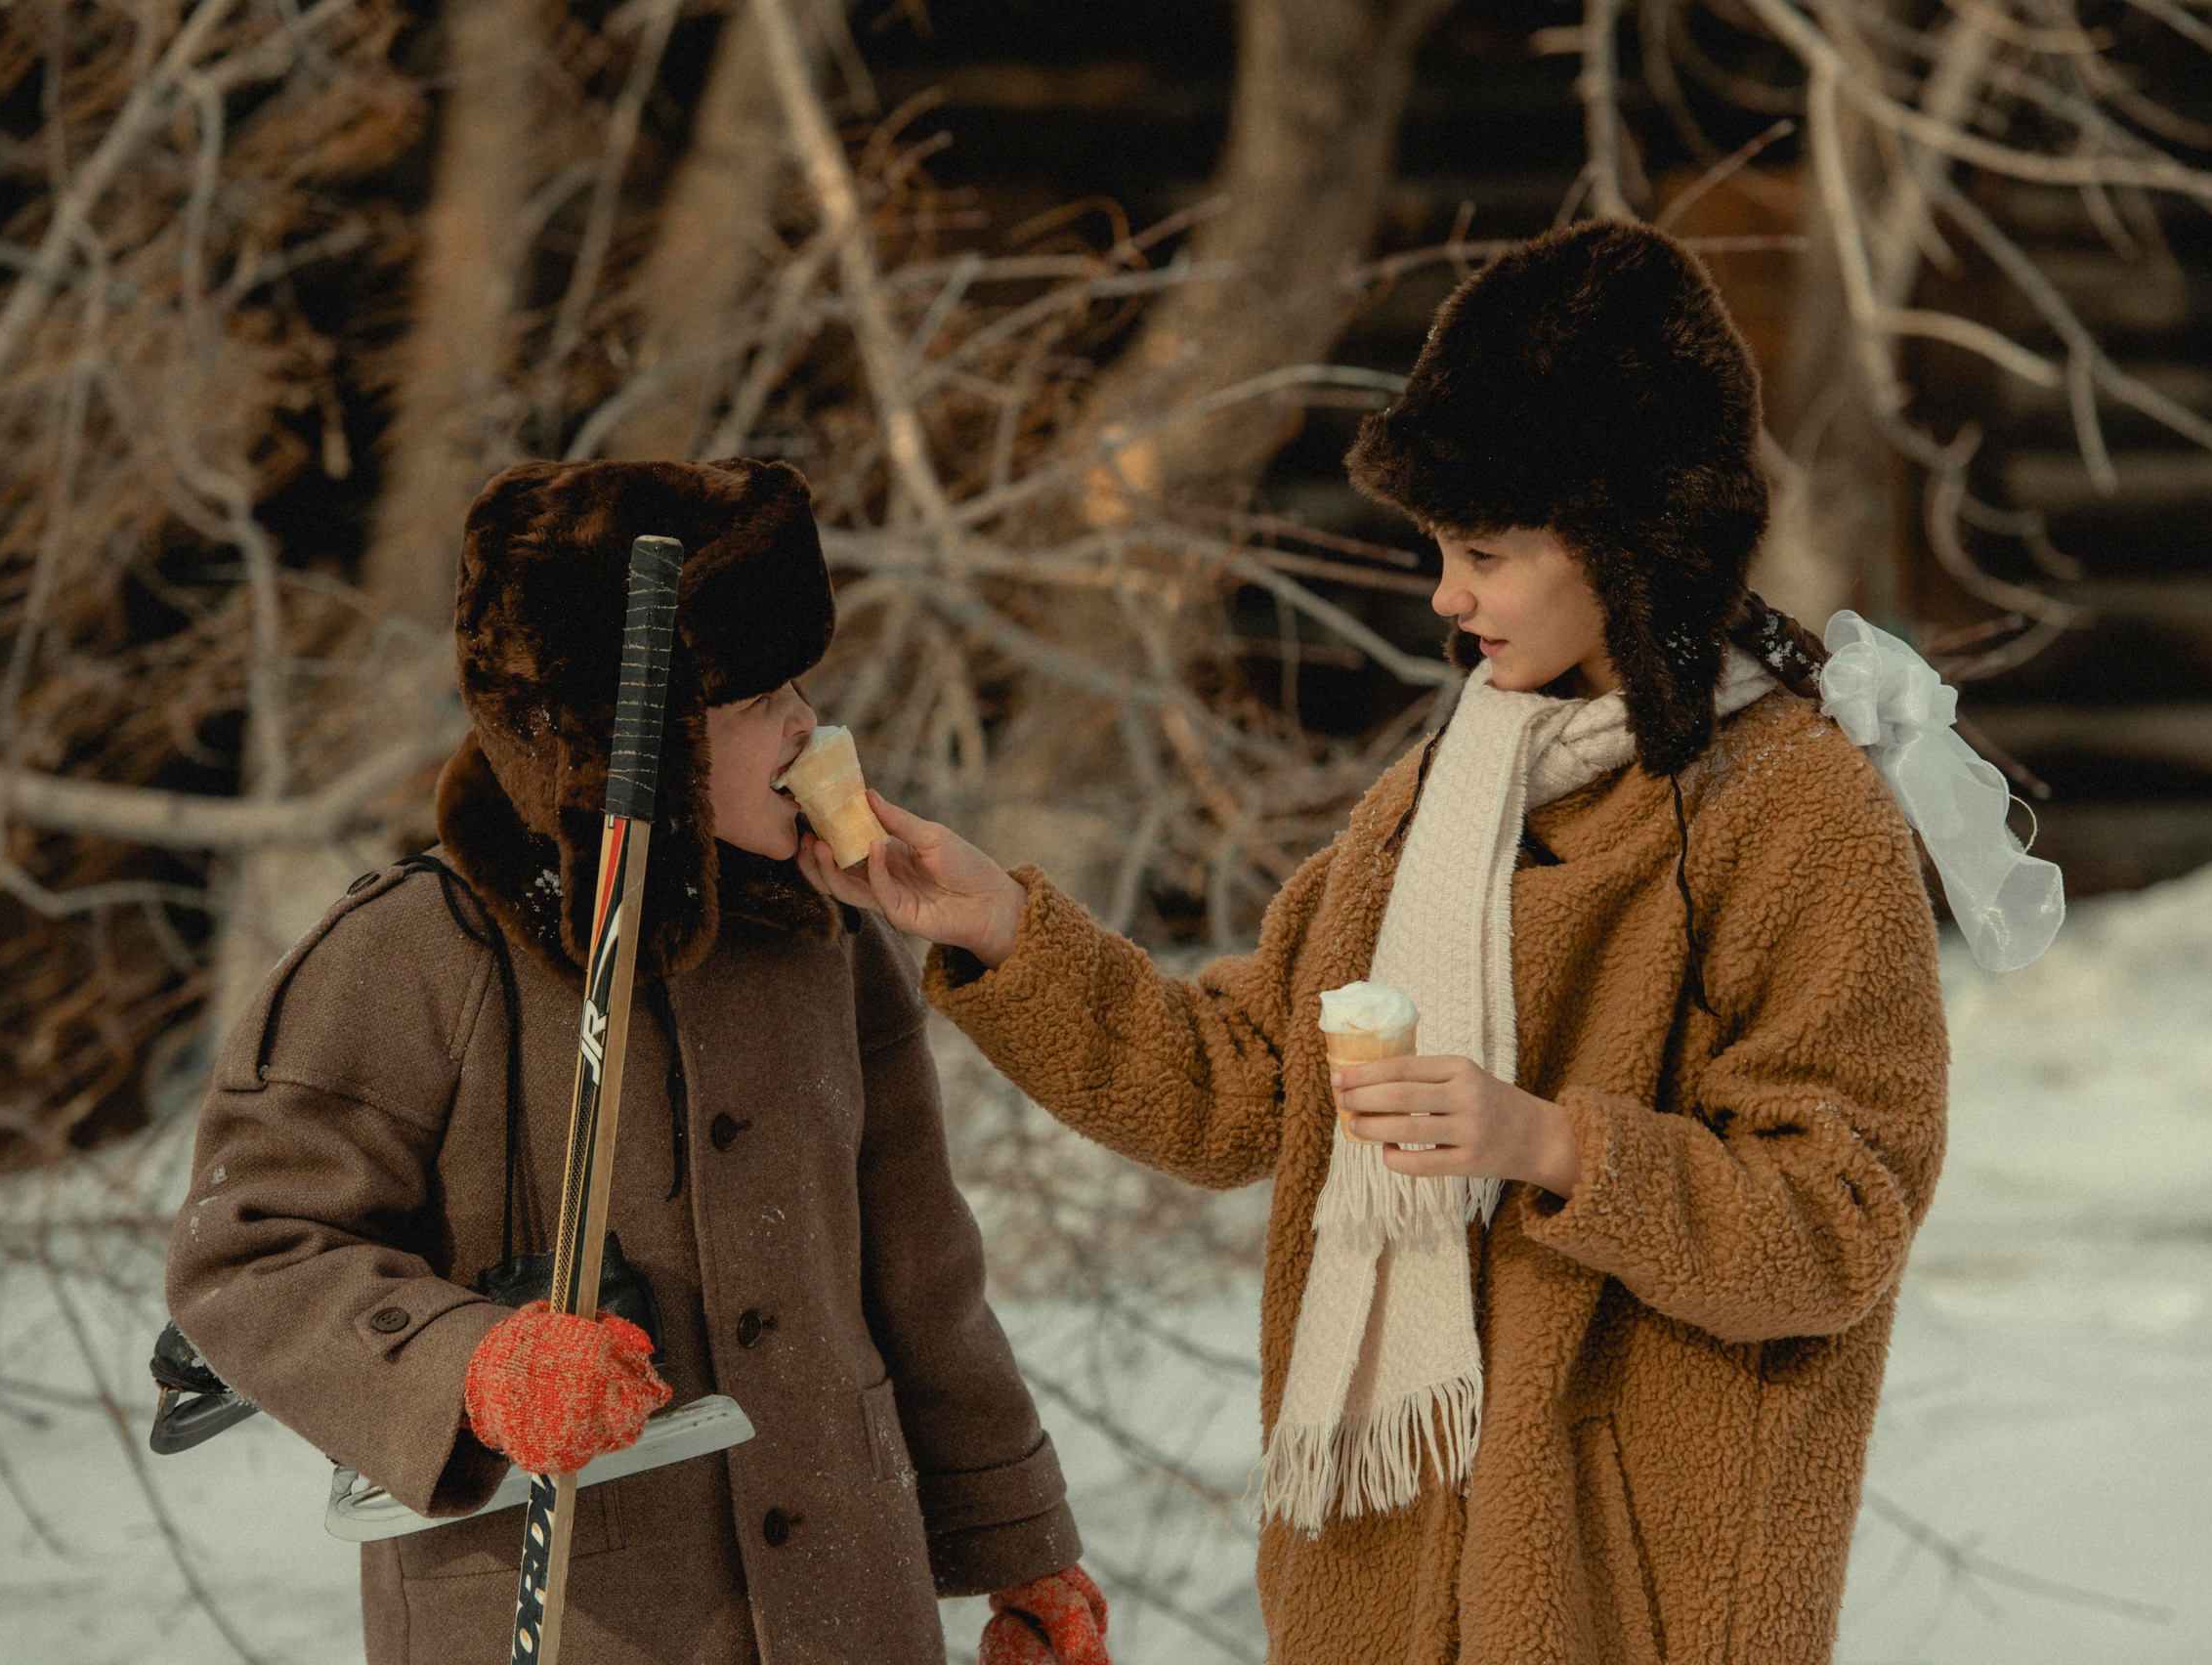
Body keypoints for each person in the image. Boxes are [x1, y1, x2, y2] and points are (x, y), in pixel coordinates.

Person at [800, 221, 1992, 1664]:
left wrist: (1558, 1148)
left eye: (1486, 551)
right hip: (1388, 1564)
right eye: (1438, 549)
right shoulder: (1442, 793)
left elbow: (1839, 1220)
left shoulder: (1795, 812)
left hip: (1635, 1591)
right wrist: (1002, 928)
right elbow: (1248, 1085)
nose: (1446, 595)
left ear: (1628, 538)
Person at [165, 459, 1110, 1665]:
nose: (805, 723)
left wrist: (1019, 1540)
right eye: (758, 697)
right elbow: (249, 1253)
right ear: (632, 739)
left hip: (850, 1611)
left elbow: (919, 1261)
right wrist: (476, 1365)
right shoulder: (407, 955)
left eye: (801, 684)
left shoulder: (823, 940)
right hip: (582, 1617)